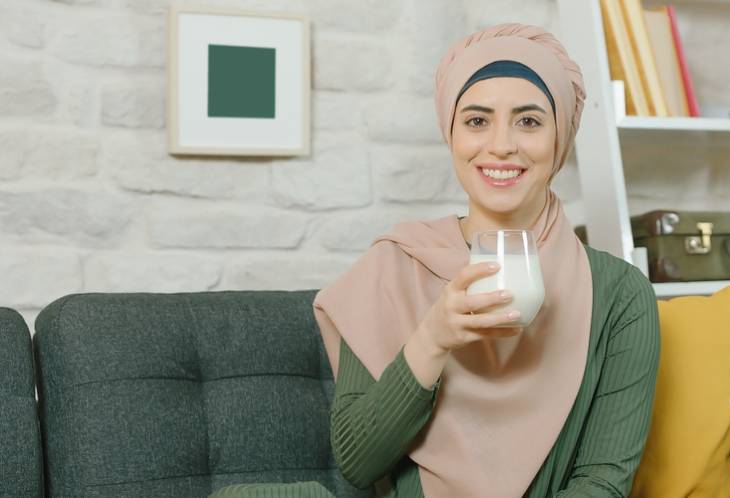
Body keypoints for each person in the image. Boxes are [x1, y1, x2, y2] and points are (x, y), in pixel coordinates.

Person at [209, 22, 659, 498]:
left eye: (528, 121)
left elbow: (602, 483)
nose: (501, 145)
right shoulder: (395, 266)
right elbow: (359, 465)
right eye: (477, 120)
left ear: (560, 140)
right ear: (451, 134)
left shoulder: (619, 294)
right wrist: (433, 337)